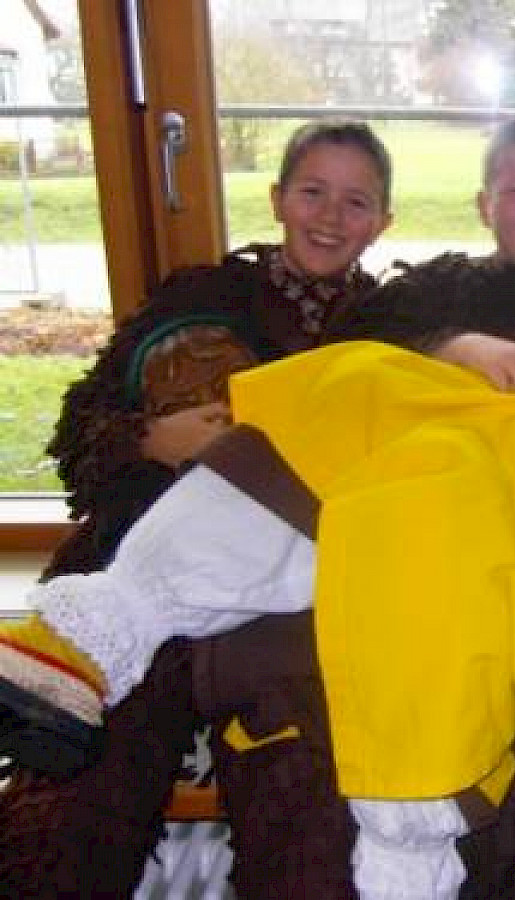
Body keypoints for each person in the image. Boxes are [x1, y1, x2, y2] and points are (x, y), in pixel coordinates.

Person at [0, 113, 515, 899]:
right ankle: (109, 642)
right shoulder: (418, 296)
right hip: (395, 547)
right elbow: (369, 369)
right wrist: (455, 350)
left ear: (382, 218)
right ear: (484, 204)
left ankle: (417, 811)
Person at [0, 117, 392, 898]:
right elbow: (81, 429)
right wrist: (150, 438)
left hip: (291, 583)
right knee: (90, 763)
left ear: (382, 221)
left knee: (298, 775)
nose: (330, 216)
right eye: (312, 191)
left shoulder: (391, 326)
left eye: (356, 201)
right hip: (144, 545)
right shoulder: (201, 297)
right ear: (277, 199)